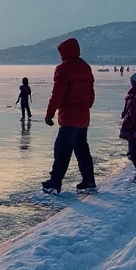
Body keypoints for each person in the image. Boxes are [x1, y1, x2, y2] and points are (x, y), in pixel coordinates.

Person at [41, 38, 97, 194]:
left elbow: (57, 95)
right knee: (81, 148)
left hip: (69, 116)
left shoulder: (63, 69)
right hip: (83, 116)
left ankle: (55, 182)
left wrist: (49, 114)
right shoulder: (85, 67)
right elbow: (91, 92)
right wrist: (86, 105)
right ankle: (89, 180)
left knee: (62, 149)